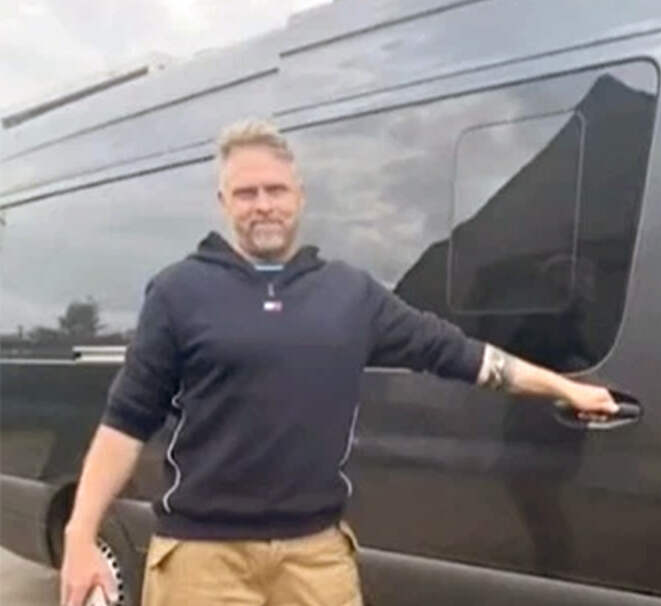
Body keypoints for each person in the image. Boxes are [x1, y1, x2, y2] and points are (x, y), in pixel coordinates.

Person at [59, 119, 620, 606]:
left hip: (315, 555)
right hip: (203, 557)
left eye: (275, 190)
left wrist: (563, 388)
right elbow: (125, 424)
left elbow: (456, 353)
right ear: (224, 202)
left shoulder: (350, 293)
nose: (263, 205)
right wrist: (80, 536)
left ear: (299, 196)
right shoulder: (178, 292)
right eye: (246, 193)